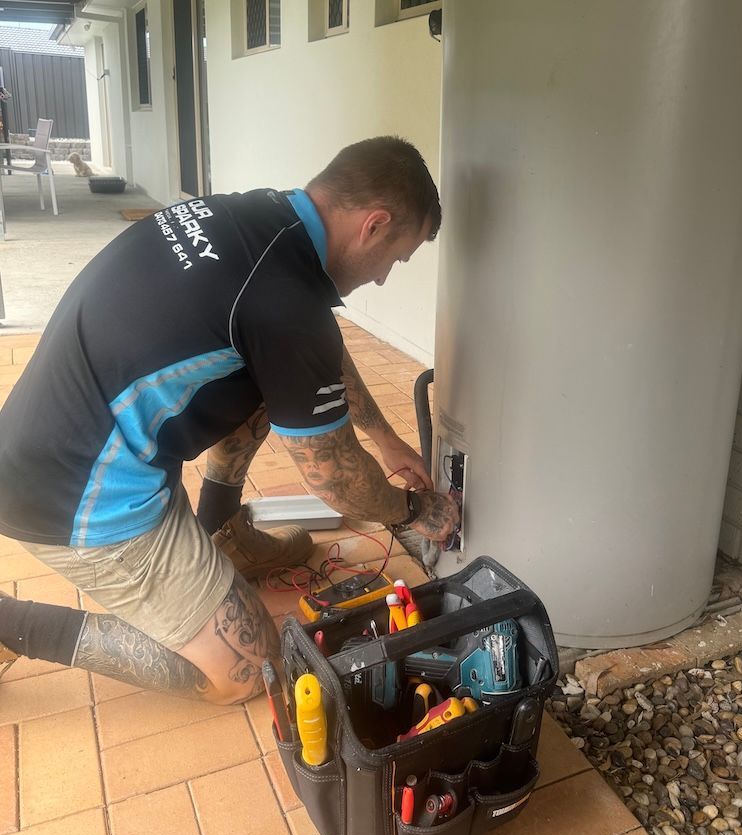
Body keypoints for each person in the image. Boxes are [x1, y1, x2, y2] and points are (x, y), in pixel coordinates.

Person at [0, 136, 459, 704]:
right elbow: (334, 480)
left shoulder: (257, 219)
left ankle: (221, 531)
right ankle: (11, 623)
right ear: (373, 224)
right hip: (75, 494)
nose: (385, 277)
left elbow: (315, 358)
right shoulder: (286, 302)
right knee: (251, 669)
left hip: (48, 439)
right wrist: (414, 510)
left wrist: (385, 438)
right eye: (395, 257)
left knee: (270, 383)